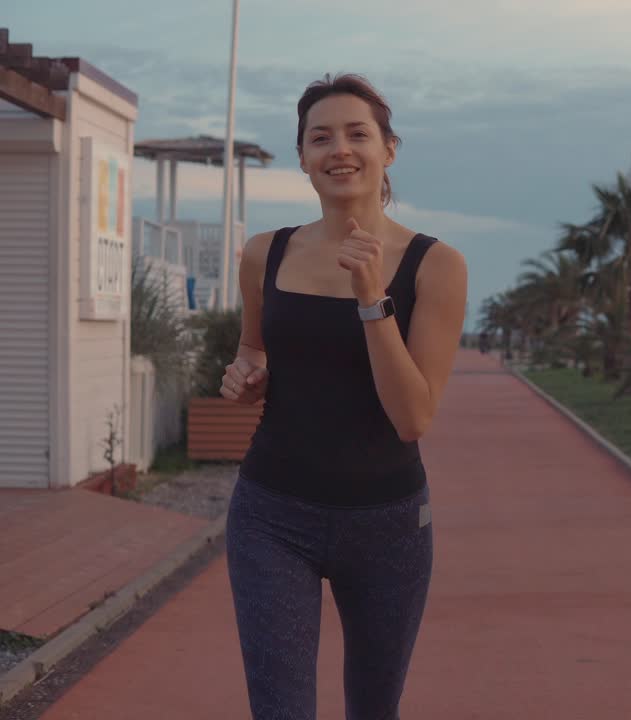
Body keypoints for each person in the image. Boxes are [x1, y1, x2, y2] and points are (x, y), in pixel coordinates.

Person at [219, 73, 468, 720]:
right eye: (320, 137)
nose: (340, 149)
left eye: (358, 134)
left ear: (388, 149)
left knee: (373, 708)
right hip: (271, 515)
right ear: (302, 158)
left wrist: (370, 298)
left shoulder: (436, 266)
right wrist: (245, 376)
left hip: (387, 524)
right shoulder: (263, 255)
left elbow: (413, 417)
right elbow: (255, 351)